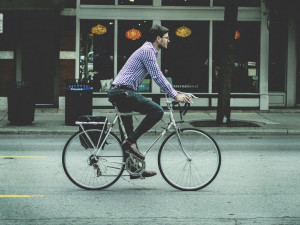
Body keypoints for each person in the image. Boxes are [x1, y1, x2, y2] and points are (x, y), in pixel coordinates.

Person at [107, 24, 191, 179]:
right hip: (122, 92)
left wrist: (178, 93)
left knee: (130, 132)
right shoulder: (147, 51)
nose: (169, 40)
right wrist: (174, 95)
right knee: (157, 111)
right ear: (158, 38)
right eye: (166, 37)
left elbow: (158, 77)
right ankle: (129, 143)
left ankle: (134, 169)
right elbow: (157, 76)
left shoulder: (149, 50)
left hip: (121, 92)